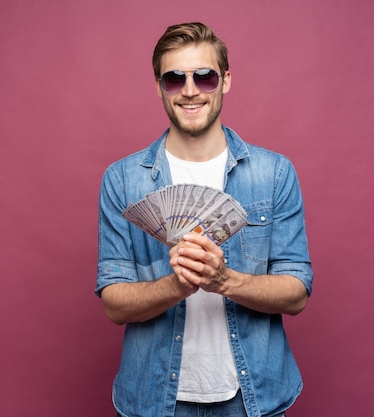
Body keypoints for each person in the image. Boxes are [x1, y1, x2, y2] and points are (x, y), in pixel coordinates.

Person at [96, 22, 313, 417]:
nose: (191, 91)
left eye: (205, 77)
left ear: (225, 81)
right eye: (174, 79)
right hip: (154, 399)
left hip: (253, 400)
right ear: (158, 86)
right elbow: (114, 304)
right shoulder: (123, 180)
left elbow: (296, 293)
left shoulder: (275, 173)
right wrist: (177, 285)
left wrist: (223, 281)